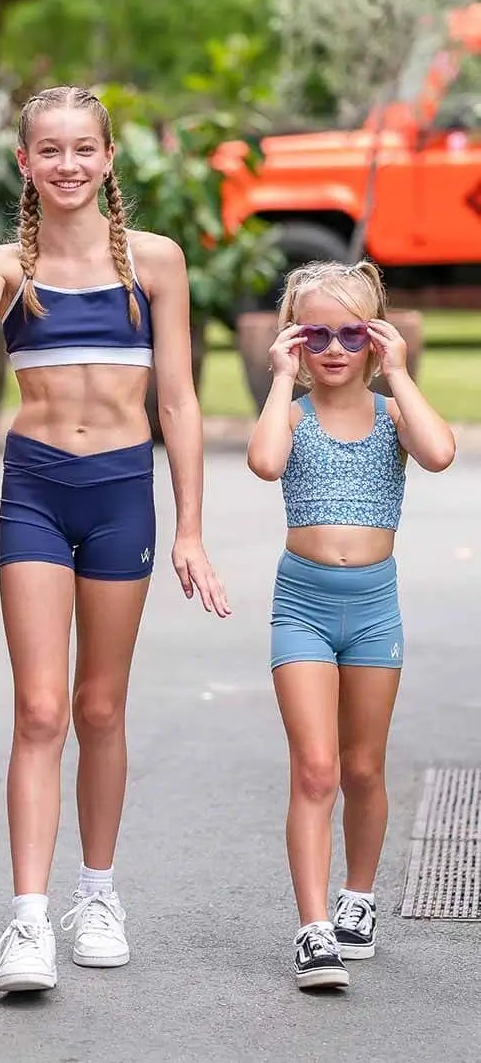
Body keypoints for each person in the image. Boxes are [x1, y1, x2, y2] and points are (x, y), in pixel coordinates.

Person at [0, 85, 231, 994]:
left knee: (100, 708)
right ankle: (29, 919)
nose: (67, 164)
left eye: (84, 148)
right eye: (50, 150)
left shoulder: (156, 262)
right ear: (26, 162)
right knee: (39, 710)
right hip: (36, 491)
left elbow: (177, 401)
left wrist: (191, 526)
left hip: (122, 494)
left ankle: (98, 896)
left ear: (108, 158)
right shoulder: (7, 264)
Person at [246, 261, 455, 991]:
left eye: (351, 333)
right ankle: (312, 929)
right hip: (302, 605)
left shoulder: (393, 414)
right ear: (294, 341)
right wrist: (280, 379)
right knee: (316, 769)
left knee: (364, 767)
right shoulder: (292, 414)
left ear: (376, 337)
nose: (334, 348)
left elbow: (440, 452)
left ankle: (357, 898)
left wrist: (398, 372)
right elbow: (264, 462)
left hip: (373, 610)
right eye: (316, 335)